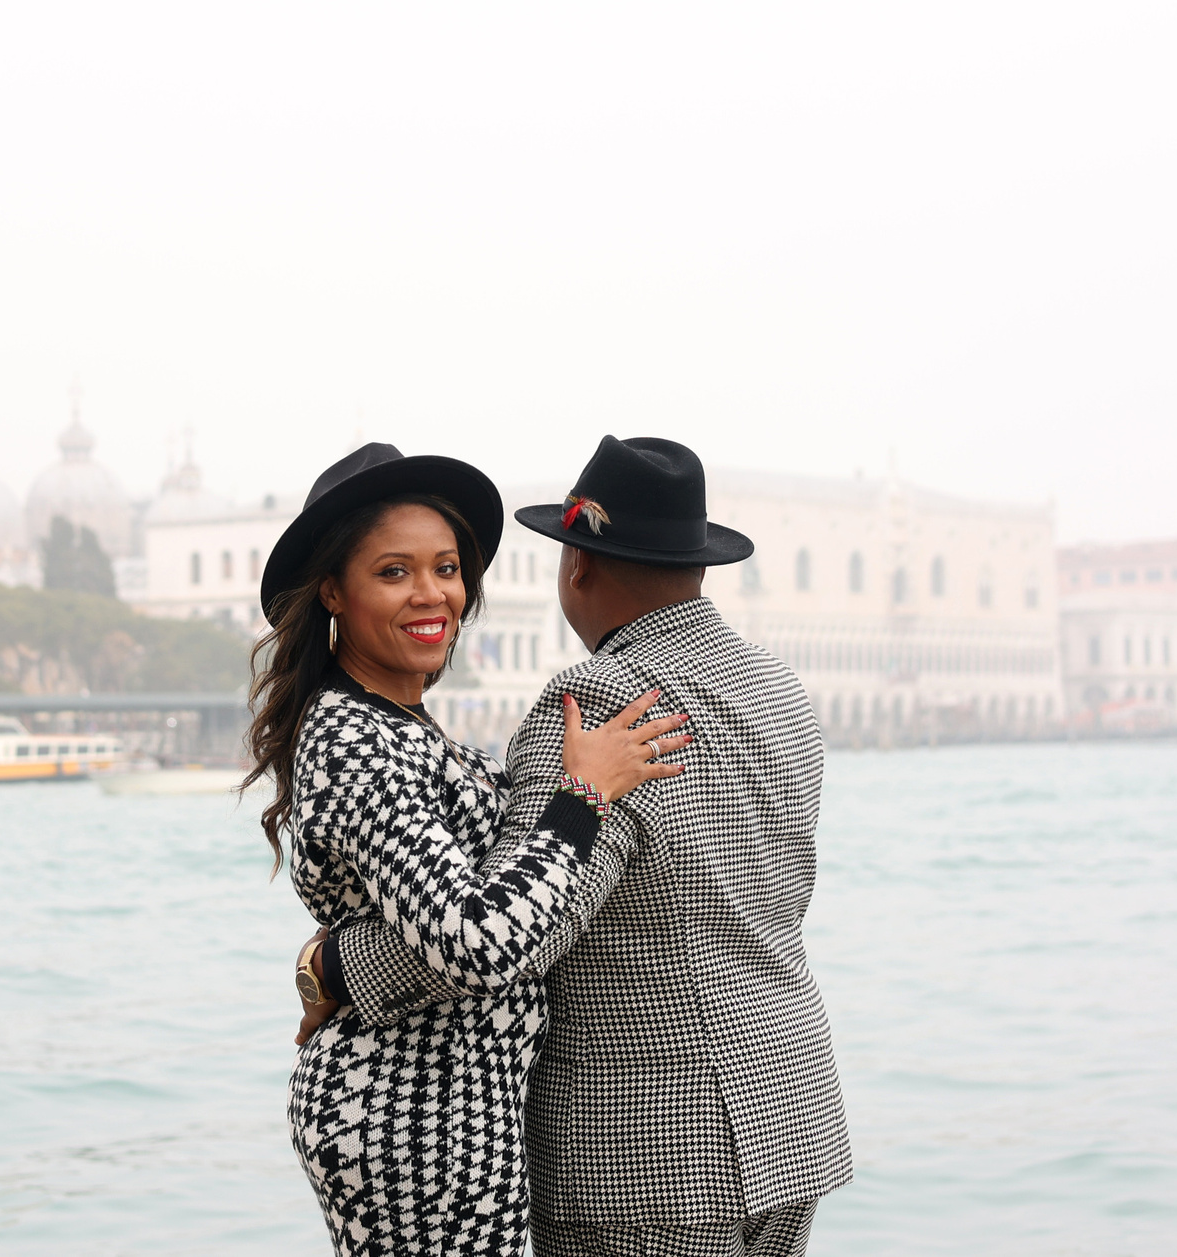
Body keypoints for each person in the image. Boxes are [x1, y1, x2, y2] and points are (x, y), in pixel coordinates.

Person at [314, 435, 853, 1257]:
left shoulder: (595, 700)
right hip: (792, 1112)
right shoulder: (777, 688)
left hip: (644, 1152)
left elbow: (520, 928)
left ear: (578, 567)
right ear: (698, 565)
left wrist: (341, 967)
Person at [247, 442, 690, 1257]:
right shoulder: (353, 739)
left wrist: (331, 964)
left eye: (446, 566)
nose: (433, 593)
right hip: (408, 1120)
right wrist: (583, 795)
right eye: (394, 571)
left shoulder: (396, 724)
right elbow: (477, 939)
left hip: (453, 1105)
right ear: (334, 592)